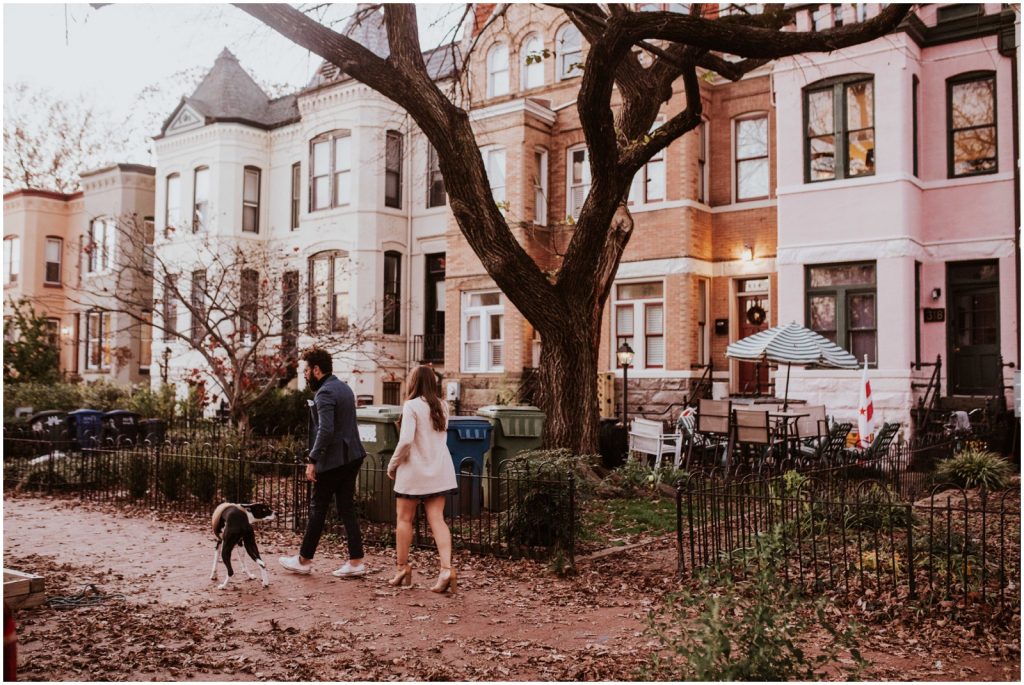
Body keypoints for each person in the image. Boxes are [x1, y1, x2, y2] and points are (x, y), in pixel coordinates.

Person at [279, 348, 368, 577]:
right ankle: (356, 562)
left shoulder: (325, 393)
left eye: (306, 370)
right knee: (346, 508)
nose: (305, 375)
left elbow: (326, 430)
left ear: (316, 370)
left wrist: (313, 460)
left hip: (334, 460)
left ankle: (304, 560)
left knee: (318, 508)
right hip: (353, 456)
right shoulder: (345, 388)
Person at [386, 365, 458, 593]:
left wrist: (393, 463)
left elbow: (406, 440)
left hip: (414, 471)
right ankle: (446, 569)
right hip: (439, 470)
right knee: (437, 519)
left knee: (404, 519)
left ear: (413, 382)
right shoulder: (443, 406)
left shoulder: (411, 405)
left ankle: (402, 568)